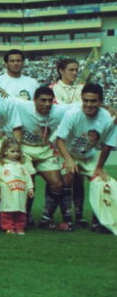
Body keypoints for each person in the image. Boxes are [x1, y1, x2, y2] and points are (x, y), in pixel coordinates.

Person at [13, 86, 76, 230]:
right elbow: (2, 96)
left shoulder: (59, 110)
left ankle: (46, 217)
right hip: (26, 149)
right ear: (34, 100)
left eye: (49, 101)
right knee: (29, 183)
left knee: (57, 184)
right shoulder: (23, 105)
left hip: (45, 150)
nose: (47, 104)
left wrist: (105, 107)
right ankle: (25, 216)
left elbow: (78, 106)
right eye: (42, 100)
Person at [56, 83, 117, 230]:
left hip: (88, 156)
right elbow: (59, 140)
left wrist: (100, 167)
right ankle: (69, 218)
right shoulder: (72, 114)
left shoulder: (109, 118)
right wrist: (69, 160)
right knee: (68, 177)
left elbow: (108, 144)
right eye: (86, 100)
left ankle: (100, 220)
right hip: (68, 153)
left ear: (101, 101)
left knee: (102, 182)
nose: (89, 105)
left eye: (93, 101)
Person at [0, 139, 35, 235]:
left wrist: (30, 187)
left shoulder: (22, 164)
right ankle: (8, 227)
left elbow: (27, 177)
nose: (16, 154)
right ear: (5, 152)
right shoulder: (1, 165)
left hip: (21, 190)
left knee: (20, 209)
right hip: (7, 191)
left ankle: (19, 226)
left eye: (18, 151)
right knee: (7, 209)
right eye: (13, 151)